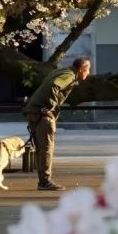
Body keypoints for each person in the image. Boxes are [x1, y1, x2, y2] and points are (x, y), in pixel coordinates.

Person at [24, 56, 91, 191]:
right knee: (47, 148)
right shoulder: (69, 75)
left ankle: (43, 180)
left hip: (33, 110)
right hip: (42, 114)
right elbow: (54, 85)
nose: (89, 73)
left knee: (40, 148)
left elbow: (48, 83)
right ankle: (45, 182)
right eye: (88, 70)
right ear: (82, 69)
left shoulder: (62, 71)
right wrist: (51, 107)